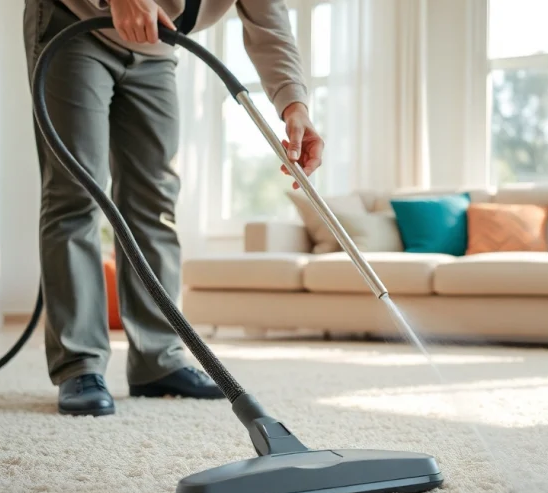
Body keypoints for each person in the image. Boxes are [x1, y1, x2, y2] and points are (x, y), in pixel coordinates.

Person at [23, 0, 323, 416]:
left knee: (155, 202)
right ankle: (81, 364)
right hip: (78, 22)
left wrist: (295, 105)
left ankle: (157, 360)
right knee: (77, 192)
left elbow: (268, 17)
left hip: (156, 49)